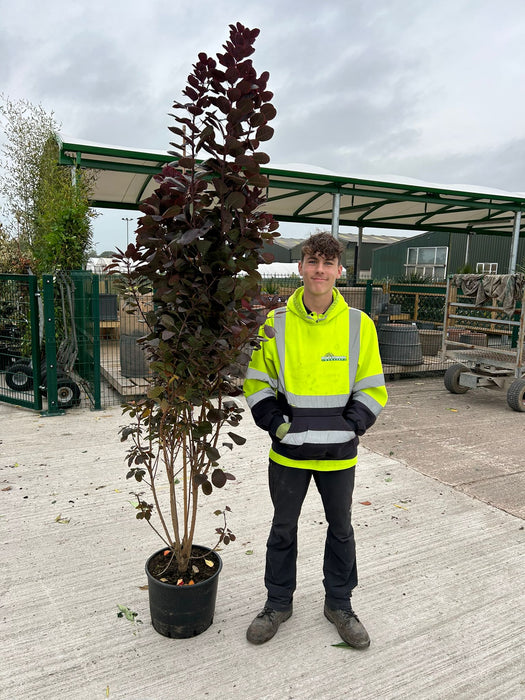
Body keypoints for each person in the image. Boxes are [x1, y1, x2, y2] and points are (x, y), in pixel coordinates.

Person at [243, 232, 387, 648]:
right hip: (289, 453)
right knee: (282, 528)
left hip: (339, 455)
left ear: (340, 271)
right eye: (312, 262)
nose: (320, 270)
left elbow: (372, 387)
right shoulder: (275, 324)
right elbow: (257, 383)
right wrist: (275, 423)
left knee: (340, 529)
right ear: (300, 267)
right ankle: (277, 603)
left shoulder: (360, 325)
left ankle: (339, 605)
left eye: (328, 263)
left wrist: (352, 425)